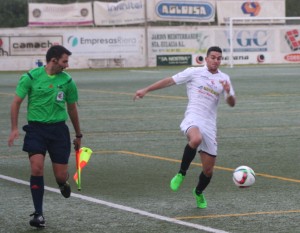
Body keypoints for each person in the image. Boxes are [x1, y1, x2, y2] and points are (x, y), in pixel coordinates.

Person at [133, 46, 236, 209]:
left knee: (208, 171)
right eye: (213, 57)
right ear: (206, 58)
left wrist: (228, 92)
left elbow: (232, 103)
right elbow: (169, 81)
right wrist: (146, 89)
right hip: (193, 117)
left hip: (210, 125)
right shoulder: (193, 72)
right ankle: (181, 173)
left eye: (219, 58)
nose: (216, 61)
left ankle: (198, 192)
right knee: (196, 139)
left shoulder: (224, 79)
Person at [8, 45, 82, 227]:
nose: (67, 65)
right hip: (36, 130)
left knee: (60, 176)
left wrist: (78, 135)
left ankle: (62, 183)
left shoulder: (67, 81)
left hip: (58, 131)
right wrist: (14, 128)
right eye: (65, 61)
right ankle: (38, 214)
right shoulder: (31, 77)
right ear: (54, 60)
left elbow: (72, 108)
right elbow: (16, 102)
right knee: (37, 168)